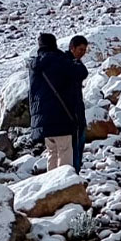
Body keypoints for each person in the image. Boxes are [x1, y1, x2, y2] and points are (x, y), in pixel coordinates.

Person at [27, 33, 81, 171]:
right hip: (60, 116)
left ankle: (51, 187)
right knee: (64, 152)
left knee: (52, 152)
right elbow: (80, 73)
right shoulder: (58, 60)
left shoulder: (34, 66)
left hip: (42, 121)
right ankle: (64, 187)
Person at [67, 35, 90, 172]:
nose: (82, 52)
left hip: (77, 111)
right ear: (72, 48)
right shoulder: (69, 64)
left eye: (84, 50)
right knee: (75, 146)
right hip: (72, 113)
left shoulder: (74, 63)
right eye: (80, 49)